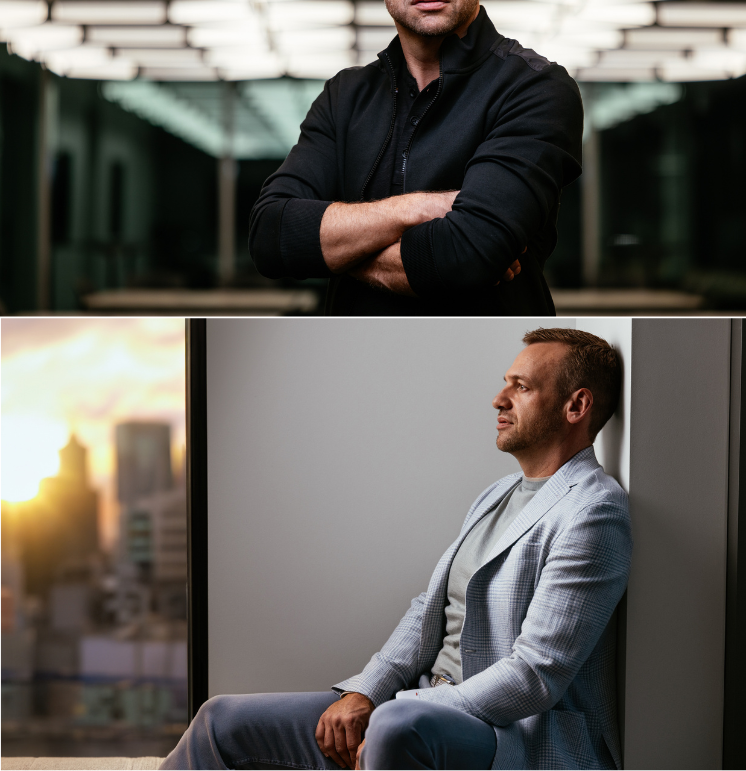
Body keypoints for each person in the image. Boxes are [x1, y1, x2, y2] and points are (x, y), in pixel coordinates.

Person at [162, 328, 629, 770]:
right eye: (505, 383)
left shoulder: (593, 512)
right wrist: (367, 693)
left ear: (576, 405)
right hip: (420, 702)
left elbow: (536, 674)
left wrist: (402, 707)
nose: (498, 399)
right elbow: (429, 609)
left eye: (521, 387)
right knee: (219, 721)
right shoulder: (498, 494)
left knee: (394, 727)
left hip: (518, 733)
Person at [248, 0, 583, 316]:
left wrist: (332, 249)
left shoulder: (536, 88)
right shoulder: (345, 96)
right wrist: (420, 208)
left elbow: (465, 257)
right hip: (351, 366)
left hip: (493, 367)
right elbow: (270, 236)